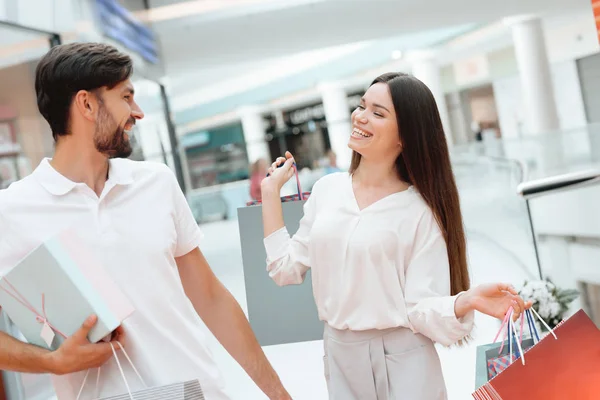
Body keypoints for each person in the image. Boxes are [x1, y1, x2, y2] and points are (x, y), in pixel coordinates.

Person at [0, 43, 290, 400]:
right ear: (87, 104)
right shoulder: (13, 210)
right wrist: (53, 361)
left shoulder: (157, 182)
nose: (137, 113)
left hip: (193, 393)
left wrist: (279, 395)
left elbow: (211, 297)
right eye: (126, 97)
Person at [260, 72, 530, 400]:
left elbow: (419, 308)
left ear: (405, 136)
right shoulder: (327, 191)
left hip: (405, 362)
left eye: (378, 112)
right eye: (361, 106)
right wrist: (270, 193)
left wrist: (466, 299)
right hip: (339, 355)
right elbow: (284, 269)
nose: (360, 117)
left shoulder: (419, 211)